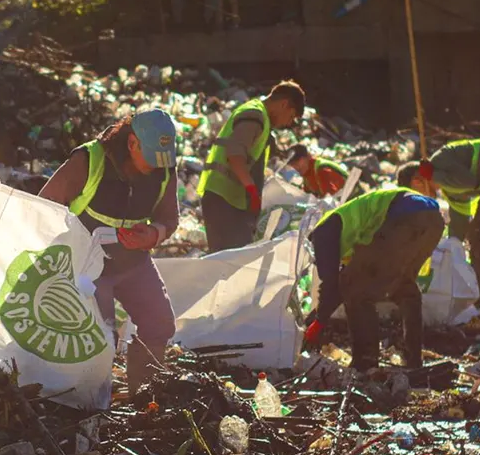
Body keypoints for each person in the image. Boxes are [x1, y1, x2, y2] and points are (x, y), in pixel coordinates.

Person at [39, 109, 179, 395]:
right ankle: (90, 401)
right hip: (89, 268)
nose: (156, 167)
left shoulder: (164, 170)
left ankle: (145, 398)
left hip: (134, 264)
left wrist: (153, 234)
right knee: (101, 339)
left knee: (159, 323)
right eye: (150, 158)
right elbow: (43, 207)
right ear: (132, 144)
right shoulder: (89, 161)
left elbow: (170, 219)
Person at [303, 187, 444, 372]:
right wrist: (320, 318)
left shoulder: (322, 234)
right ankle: (414, 360)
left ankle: (366, 362)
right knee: (403, 287)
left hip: (403, 218)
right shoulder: (349, 235)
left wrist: (318, 323)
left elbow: (333, 284)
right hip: (433, 219)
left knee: (355, 290)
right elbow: (338, 287)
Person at [397, 138, 480, 325]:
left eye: (414, 193)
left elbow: (468, 181)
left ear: (417, 181)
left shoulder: (440, 162)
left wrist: (434, 176)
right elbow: (459, 222)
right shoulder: (450, 191)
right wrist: (446, 247)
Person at [198, 81, 305, 251]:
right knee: (231, 263)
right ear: (284, 104)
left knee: (229, 262)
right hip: (223, 199)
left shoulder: (260, 118)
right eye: (290, 116)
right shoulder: (255, 116)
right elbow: (234, 155)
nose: (287, 123)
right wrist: (252, 190)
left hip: (229, 200)